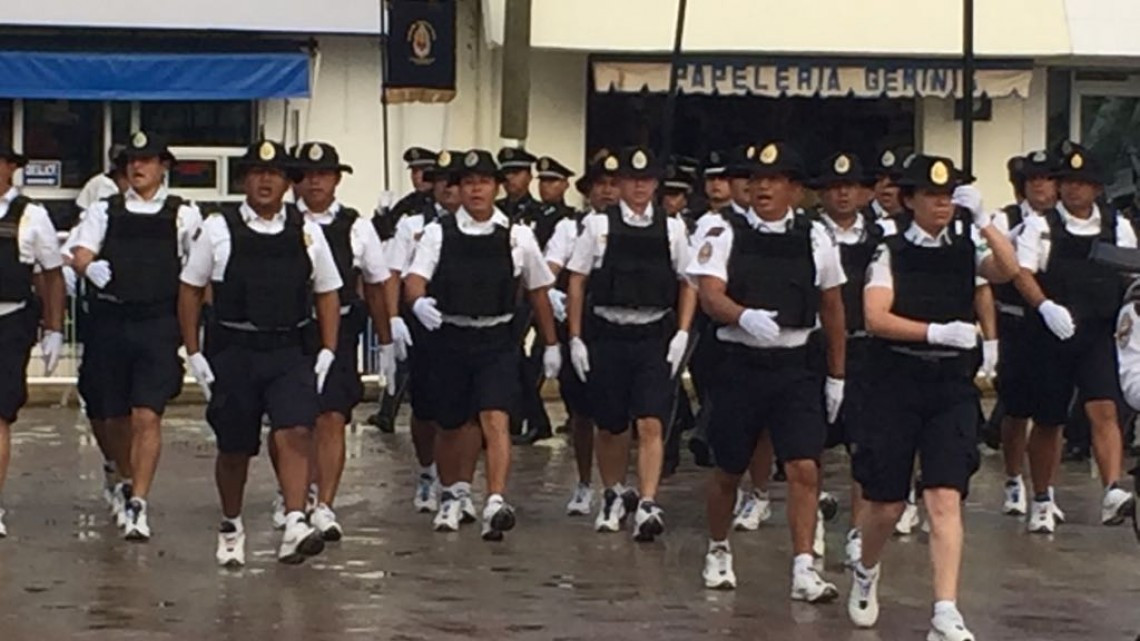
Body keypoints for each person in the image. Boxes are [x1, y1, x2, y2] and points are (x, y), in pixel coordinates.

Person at [849, 155, 1018, 640]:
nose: (943, 204)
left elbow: (1008, 271)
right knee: (885, 503)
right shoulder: (889, 250)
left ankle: (945, 608)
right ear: (910, 201)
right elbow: (876, 317)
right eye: (932, 195)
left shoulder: (964, 248)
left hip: (949, 386)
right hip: (895, 381)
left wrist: (985, 222)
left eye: (949, 196)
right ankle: (866, 566)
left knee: (945, 495)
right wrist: (937, 331)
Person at [690, 141, 845, 601]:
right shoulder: (723, 228)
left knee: (803, 466)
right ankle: (718, 548)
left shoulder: (817, 235)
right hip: (740, 362)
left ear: (795, 190)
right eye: (756, 179)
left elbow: (832, 306)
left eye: (774, 180)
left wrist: (837, 375)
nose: (762, 188)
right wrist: (742, 316)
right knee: (728, 468)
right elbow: (710, 293)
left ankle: (803, 566)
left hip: (795, 363)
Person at [179, 140, 343, 567]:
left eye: (274, 174)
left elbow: (327, 290)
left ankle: (293, 521)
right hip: (235, 350)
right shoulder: (218, 227)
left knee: (296, 431)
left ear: (288, 182)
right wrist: (194, 351)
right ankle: (231, 522)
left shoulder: (307, 231)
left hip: (289, 348)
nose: (265, 180)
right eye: (256, 172)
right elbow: (190, 290)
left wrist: (328, 349)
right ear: (244, 180)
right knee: (235, 448)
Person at [403, 149, 561, 541]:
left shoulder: (517, 236)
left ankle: (495, 498)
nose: (476, 190)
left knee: (496, 416)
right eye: (469, 182)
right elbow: (415, 278)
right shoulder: (439, 233)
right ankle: (453, 492)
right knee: (452, 424)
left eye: (484, 182)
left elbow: (539, 290)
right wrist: (418, 301)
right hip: (452, 337)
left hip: (497, 337)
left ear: (496, 187)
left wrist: (553, 343)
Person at [70, 132, 201, 542]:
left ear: (163, 165)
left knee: (147, 413)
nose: (137, 167)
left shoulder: (184, 213)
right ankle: (118, 468)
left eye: (146, 160)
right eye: (131, 160)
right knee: (108, 413)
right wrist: (88, 268)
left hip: (157, 322)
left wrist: (196, 334)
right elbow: (80, 252)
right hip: (110, 321)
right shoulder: (104, 210)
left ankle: (139, 500)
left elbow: (196, 271)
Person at [565, 146, 696, 542]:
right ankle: (613, 493)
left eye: (646, 180)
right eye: (631, 180)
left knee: (651, 420)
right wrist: (575, 337)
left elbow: (688, 281)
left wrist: (683, 332)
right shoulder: (598, 226)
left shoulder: (673, 229)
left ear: (655, 185)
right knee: (611, 424)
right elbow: (577, 279)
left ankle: (649, 500)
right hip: (608, 332)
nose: (639, 187)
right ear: (619, 184)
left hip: (653, 334)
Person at [1012, 144, 1137, 532]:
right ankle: (1043, 497)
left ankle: (1112, 489)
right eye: (1067, 182)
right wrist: (1046, 307)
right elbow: (1023, 273)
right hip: (1051, 334)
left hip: (1099, 332)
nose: (1073, 190)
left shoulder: (1117, 225)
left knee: (1104, 409)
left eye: (1083, 183)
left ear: (1097, 189)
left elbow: (1131, 273)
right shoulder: (1041, 225)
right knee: (1049, 420)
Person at [290, 141, 396, 540]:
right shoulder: (282, 221)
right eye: (306, 174)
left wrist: (386, 341)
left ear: (336, 179)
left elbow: (376, 282)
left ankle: (324, 504)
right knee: (293, 423)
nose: (315, 181)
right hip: (292, 331)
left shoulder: (356, 225)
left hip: (341, 330)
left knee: (332, 417)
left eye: (323, 174)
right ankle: (295, 499)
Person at [809, 151, 896, 569]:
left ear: (864, 193)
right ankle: (813, 527)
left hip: (867, 348)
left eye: (850, 187)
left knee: (865, 444)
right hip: (815, 345)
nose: (842, 194)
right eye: (833, 187)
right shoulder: (806, 233)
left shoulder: (883, 236)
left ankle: (859, 532)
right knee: (811, 444)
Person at [691, 145, 776, 532]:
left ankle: (759, 493)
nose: (746, 186)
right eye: (741, 178)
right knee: (728, 422)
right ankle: (735, 486)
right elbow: (701, 283)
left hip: (774, 335)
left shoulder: (787, 225)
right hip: (724, 336)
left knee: (765, 425)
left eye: (754, 178)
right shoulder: (717, 225)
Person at [381, 150, 459, 514]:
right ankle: (428, 472)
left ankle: (457, 483)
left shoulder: (486, 223)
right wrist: (394, 317)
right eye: (441, 181)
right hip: (422, 323)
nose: (448, 188)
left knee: (464, 410)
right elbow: (394, 272)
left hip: (464, 321)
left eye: (454, 181)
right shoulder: (413, 223)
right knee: (426, 407)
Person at [547, 149, 619, 515]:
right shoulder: (570, 227)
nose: (607, 192)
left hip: (619, 327)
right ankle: (584, 481)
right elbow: (548, 268)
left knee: (621, 414)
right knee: (581, 412)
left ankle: (616, 486)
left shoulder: (640, 227)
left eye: (613, 184)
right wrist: (553, 294)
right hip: (580, 323)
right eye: (600, 185)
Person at [990, 151, 1060, 523]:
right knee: (1016, 409)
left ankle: (1044, 491)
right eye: (1032, 178)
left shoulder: (1067, 222)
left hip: (1055, 325)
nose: (1039, 184)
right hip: (1017, 322)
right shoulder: (1008, 218)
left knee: (1052, 414)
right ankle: (1014, 478)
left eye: (1047, 178)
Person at [0, 145, 65, 538]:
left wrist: (54, 328)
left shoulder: (31, 215)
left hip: (9, 323)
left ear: (10, 168)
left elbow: (52, 273)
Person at [513, 155, 578, 445]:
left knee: (551, 362)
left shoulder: (568, 220)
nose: (545, 186)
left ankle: (568, 417)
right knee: (522, 360)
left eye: (552, 181)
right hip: (531, 293)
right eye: (543, 181)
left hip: (557, 299)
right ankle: (533, 420)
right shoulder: (531, 215)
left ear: (565, 185)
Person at [75, 144, 129, 211]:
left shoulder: (139, 183)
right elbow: (82, 210)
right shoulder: (97, 182)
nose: (124, 164)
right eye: (120, 160)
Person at [495, 147, 540, 222]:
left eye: (515, 172)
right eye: (506, 173)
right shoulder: (493, 209)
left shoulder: (539, 212)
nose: (509, 177)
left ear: (529, 177)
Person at [866, 149, 905, 220]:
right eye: (880, 177)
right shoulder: (860, 219)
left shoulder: (917, 220)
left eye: (894, 178)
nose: (885, 184)